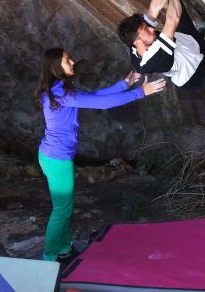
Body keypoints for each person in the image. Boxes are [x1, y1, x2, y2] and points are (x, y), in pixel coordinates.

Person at [34, 48, 165, 262]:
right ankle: (49, 256)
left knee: (65, 207)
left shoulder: (59, 89)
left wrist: (124, 84)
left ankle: (63, 248)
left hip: (54, 156)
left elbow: (94, 96)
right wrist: (141, 92)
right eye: (68, 60)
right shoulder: (60, 93)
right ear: (57, 67)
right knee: (61, 209)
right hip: (56, 160)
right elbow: (102, 103)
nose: (73, 62)